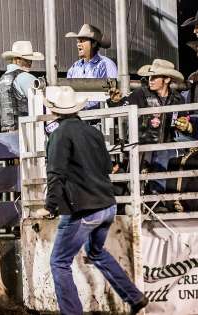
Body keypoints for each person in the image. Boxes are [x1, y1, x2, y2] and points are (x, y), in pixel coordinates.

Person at [42, 86, 148, 315]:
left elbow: (55, 173)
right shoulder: (93, 132)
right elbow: (108, 167)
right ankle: (135, 297)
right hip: (107, 205)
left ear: (55, 111)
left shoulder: (59, 134)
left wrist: (50, 205)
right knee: (96, 251)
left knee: (59, 262)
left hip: (84, 209)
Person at [109, 59, 194, 194]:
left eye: (155, 77)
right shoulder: (140, 94)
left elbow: (182, 121)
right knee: (160, 154)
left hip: (167, 145)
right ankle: (156, 197)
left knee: (173, 155)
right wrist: (114, 101)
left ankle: (160, 197)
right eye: (150, 77)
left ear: (167, 79)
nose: (150, 80)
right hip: (142, 145)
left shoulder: (178, 99)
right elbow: (121, 107)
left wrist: (185, 125)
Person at [66, 24, 118, 110]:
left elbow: (111, 95)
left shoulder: (106, 64)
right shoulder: (74, 67)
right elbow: (68, 92)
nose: (78, 44)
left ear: (94, 43)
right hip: (76, 114)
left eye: (82, 41)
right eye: (78, 41)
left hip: (99, 118)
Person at [0, 41, 44, 132]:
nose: (30, 63)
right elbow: (41, 102)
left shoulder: (2, 78)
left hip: (6, 129)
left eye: (30, 60)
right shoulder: (25, 77)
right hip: (25, 130)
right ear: (17, 59)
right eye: (26, 59)